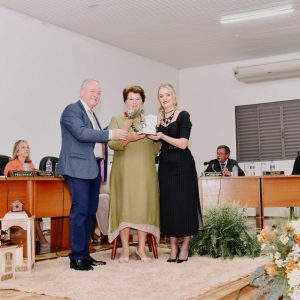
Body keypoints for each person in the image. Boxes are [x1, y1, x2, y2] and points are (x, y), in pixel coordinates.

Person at [57, 79, 128, 271]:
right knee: (80, 212)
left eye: (99, 92)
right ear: (82, 92)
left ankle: (85, 255)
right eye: (92, 91)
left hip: (92, 169)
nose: (96, 95)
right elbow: (81, 133)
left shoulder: (92, 115)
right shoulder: (72, 110)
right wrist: (111, 134)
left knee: (89, 214)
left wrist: (122, 126)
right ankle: (77, 257)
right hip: (77, 169)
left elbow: (98, 135)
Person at [148, 83, 203, 263]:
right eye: (161, 96)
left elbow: (183, 143)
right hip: (165, 165)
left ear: (174, 96)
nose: (164, 99)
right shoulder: (157, 119)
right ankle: (173, 247)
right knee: (169, 206)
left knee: (185, 205)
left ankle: (185, 246)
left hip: (183, 165)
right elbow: (156, 145)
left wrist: (162, 136)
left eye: (167, 95)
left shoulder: (183, 115)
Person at [108, 85, 160, 263]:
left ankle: (141, 248)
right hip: (124, 171)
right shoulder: (116, 119)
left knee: (143, 207)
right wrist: (129, 136)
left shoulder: (150, 120)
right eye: (130, 99)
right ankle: (125, 250)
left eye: (137, 99)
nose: (134, 102)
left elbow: (156, 149)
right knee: (125, 207)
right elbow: (112, 144)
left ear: (143, 101)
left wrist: (156, 137)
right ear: (125, 101)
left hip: (145, 170)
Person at [4, 140, 50, 253]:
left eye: (28, 147)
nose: (27, 149)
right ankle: (41, 238)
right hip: (14, 199)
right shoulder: (11, 164)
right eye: (23, 147)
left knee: (35, 206)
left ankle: (37, 238)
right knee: (31, 209)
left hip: (29, 196)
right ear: (17, 151)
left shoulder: (30, 164)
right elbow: (7, 184)